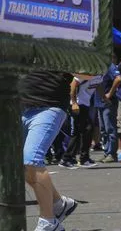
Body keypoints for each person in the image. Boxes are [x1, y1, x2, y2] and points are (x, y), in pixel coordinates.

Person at [19, 71, 79, 231]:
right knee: (18, 164)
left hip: (49, 106)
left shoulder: (63, 46)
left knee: (31, 159)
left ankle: (49, 222)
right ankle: (59, 204)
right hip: (19, 106)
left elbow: (90, 71)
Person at [60, 77, 98, 168]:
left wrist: (104, 96)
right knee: (84, 129)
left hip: (85, 103)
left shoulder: (101, 74)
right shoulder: (88, 72)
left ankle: (80, 158)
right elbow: (73, 84)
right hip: (77, 104)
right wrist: (73, 103)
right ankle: (69, 158)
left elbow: (98, 86)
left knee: (85, 130)